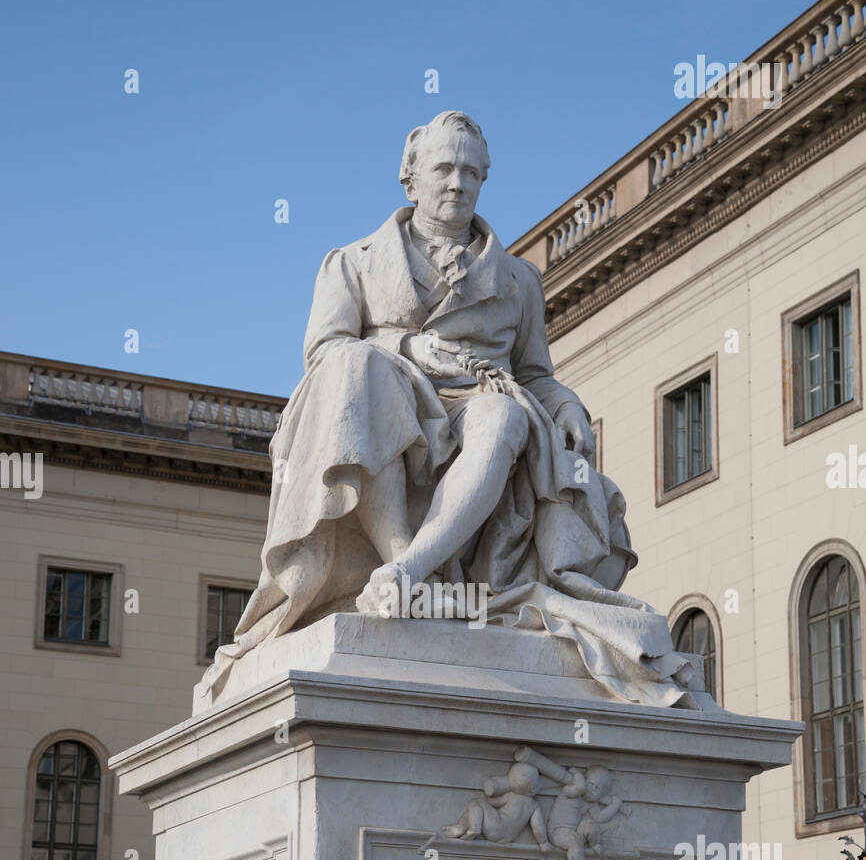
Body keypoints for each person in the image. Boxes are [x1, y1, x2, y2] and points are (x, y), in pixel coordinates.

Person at [203, 111, 695, 710]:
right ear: (410, 178)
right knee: (359, 367)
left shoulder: (517, 280)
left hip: (475, 407)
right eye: (443, 168)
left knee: (506, 416)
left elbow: (534, 373)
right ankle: (398, 555)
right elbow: (324, 352)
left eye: (470, 171)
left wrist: (565, 405)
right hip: (386, 401)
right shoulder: (353, 263)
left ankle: (412, 571)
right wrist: (406, 348)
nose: (457, 182)